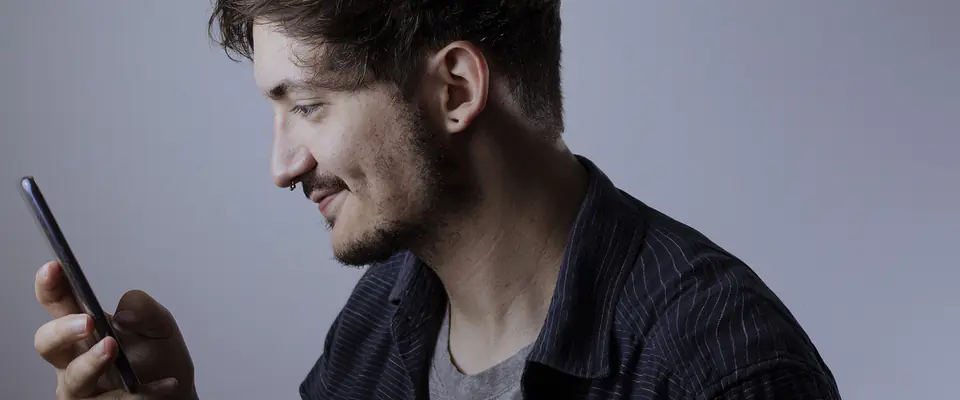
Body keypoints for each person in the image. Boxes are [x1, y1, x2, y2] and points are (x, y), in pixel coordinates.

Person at [30, 1, 841, 399]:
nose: (281, 167)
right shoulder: (380, 322)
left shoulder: (720, 369)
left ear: (454, 89)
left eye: (307, 106)